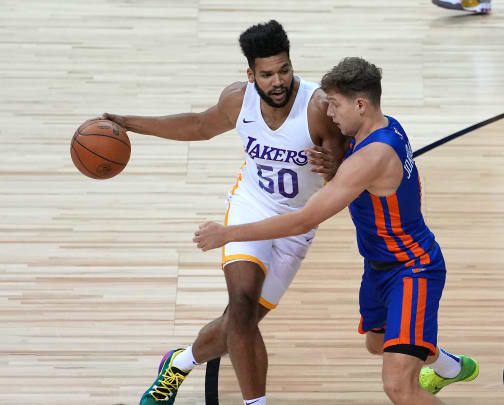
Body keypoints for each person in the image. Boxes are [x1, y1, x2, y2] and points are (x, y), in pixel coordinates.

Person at [194, 57, 479, 405]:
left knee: (399, 387)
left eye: (335, 105)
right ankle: (451, 367)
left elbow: (303, 219)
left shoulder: (371, 157)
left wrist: (228, 234)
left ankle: (432, 369)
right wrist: (337, 165)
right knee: (378, 343)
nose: (328, 114)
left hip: (413, 269)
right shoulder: (383, 128)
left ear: (360, 104)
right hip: (379, 267)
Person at [101, 20, 345, 405]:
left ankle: (178, 363)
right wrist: (128, 124)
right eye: (267, 74)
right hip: (252, 205)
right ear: (251, 75)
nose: (278, 81)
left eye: (284, 69)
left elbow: (342, 169)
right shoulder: (238, 100)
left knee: (238, 324)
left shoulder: (318, 107)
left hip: (297, 223)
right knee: (243, 304)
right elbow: (198, 125)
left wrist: (332, 167)